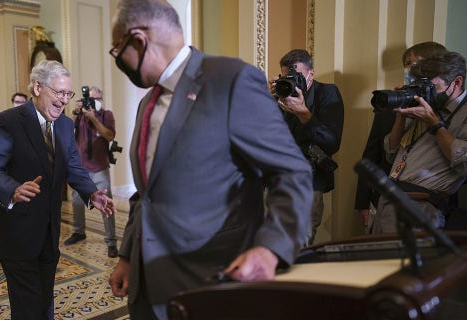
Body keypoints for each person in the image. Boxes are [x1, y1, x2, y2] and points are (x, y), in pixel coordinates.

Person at [107, 1, 313, 319]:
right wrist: (127, 256)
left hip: (206, 284)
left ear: (138, 39)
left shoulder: (231, 79)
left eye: (117, 49)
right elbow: (148, 190)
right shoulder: (148, 100)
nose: (117, 59)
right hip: (146, 285)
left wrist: (272, 248)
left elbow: (291, 172)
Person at [0, 60, 115, 319]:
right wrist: (13, 189)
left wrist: (91, 193)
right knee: (27, 305)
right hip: (15, 232)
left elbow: (74, 166)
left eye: (68, 94)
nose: (64, 100)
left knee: (45, 300)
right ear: (38, 87)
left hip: (49, 232)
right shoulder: (9, 121)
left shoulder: (65, 125)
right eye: (58, 92)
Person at [371, 51, 467, 234]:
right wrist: (401, 115)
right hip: (389, 198)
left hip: (420, 207)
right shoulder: (426, 104)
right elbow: (390, 151)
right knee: (378, 261)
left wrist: (434, 124)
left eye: (432, 86)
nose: (427, 92)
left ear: (456, 82)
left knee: (405, 262)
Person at [355, 42, 447, 230]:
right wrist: (362, 203)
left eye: (417, 64)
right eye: (407, 64)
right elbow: (371, 156)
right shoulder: (390, 101)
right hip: (380, 199)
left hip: (424, 205)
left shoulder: (445, 111)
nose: (410, 69)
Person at [269, 49, 344, 245]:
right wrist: (269, 102)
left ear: (311, 73)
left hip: (309, 181)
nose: (292, 82)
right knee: (274, 240)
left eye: (297, 77)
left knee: (300, 244)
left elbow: (332, 143)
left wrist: (304, 114)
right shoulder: (280, 97)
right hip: (278, 179)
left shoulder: (326, 93)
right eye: (287, 78)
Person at [64, 86, 119, 258]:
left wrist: (93, 119)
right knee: (77, 202)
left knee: (106, 203)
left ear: (101, 100)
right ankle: (79, 231)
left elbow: (109, 136)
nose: (91, 102)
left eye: (95, 99)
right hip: (81, 168)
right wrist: (75, 112)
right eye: (89, 99)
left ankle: (111, 241)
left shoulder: (106, 114)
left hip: (100, 167)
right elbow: (66, 132)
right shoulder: (79, 116)